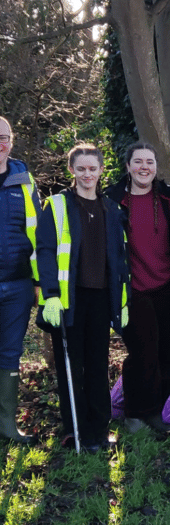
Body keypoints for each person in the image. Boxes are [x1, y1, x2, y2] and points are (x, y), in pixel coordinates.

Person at [36, 144, 129, 452]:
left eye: (93, 169)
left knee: (97, 363)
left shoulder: (112, 209)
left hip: (102, 299)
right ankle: (75, 429)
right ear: (71, 171)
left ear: (101, 171)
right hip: (68, 301)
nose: (87, 174)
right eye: (81, 169)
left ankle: (100, 430)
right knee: (70, 366)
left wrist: (122, 302)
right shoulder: (58, 205)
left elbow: (119, 259)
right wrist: (49, 295)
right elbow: (45, 252)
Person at [104, 143, 170, 434]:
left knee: (166, 352)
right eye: (138, 161)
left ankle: (158, 412)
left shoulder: (169, 198)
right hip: (133, 288)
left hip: (169, 286)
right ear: (128, 166)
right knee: (142, 353)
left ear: (156, 167)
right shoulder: (112, 201)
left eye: (149, 161)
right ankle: (136, 414)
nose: (144, 167)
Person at [0, 116, 40, 444]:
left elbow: (37, 233)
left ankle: (7, 424)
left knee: (11, 353)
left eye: (4, 137)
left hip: (17, 285)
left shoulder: (23, 179)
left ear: (12, 142)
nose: (0, 144)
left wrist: (38, 282)